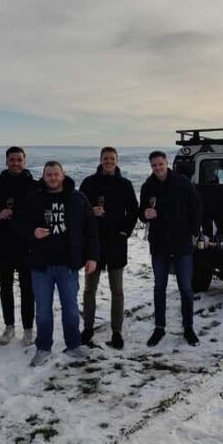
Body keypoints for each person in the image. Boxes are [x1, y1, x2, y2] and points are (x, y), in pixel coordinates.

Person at [16, 161, 99, 367]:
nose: (53, 178)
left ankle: (74, 344)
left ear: (63, 175)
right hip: (41, 265)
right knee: (43, 310)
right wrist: (33, 232)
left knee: (70, 307)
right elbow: (18, 224)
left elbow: (91, 229)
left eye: (56, 174)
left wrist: (92, 257)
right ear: (43, 176)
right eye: (49, 174)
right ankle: (43, 347)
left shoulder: (77, 198)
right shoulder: (33, 198)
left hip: (68, 264)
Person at [139, 150, 202, 347]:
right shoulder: (147, 186)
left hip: (182, 243)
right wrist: (145, 214)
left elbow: (197, 208)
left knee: (186, 288)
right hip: (159, 245)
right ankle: (159, 328)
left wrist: (193, 233)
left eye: (160, 164)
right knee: (159, 288)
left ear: (166, 163)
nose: (157, 168)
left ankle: (188, 328)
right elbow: (141, 212)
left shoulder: (183, 183)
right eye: (154, 165)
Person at [79, 147, 139, 349]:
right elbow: (77, 209)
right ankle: (88, 328)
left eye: (112, 158)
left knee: (117, 291)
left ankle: (117, 331)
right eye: (106, 158)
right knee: (90, 289)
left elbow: (133, 211)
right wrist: (90, 210)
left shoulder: (125, 184)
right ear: (100, 160)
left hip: (116, 243)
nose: (109, 161)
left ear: (117, 160)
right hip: (93, 243)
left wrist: (125, 232)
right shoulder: (89, 183)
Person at [0, 146, 36, 346]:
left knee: (28, 289)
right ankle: (9, 327)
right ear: (6, 161)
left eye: (19, 160)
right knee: (5, 288)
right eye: (12, 160)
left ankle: (28, 329)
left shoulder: (34, 186)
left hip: (27, 244)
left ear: (24, 161)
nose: (15, 163)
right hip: (4, 243)